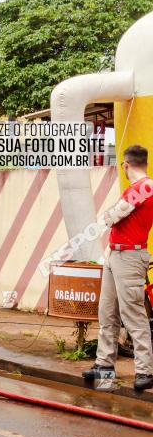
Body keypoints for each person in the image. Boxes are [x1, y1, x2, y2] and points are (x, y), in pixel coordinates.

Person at [83, 145, 153, 391]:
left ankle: (145, 369)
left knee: (133, 314)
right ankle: (104, 365)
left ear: (125, 164)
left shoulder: (144, 187)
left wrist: (108, 213)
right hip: (116, 253)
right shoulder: (137, 189)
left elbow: (111, 217)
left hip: (130, 256)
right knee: (107, 312)